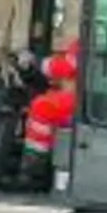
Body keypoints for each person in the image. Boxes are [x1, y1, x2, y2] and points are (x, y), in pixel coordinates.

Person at [15, 46, 78, 190]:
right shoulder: (90, 37)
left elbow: (62, 68)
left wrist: (35, 61)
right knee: (46, 98)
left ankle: (34, 168)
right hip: (79, 94)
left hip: (80, 98)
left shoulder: (86, 39)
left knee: (42, 107)